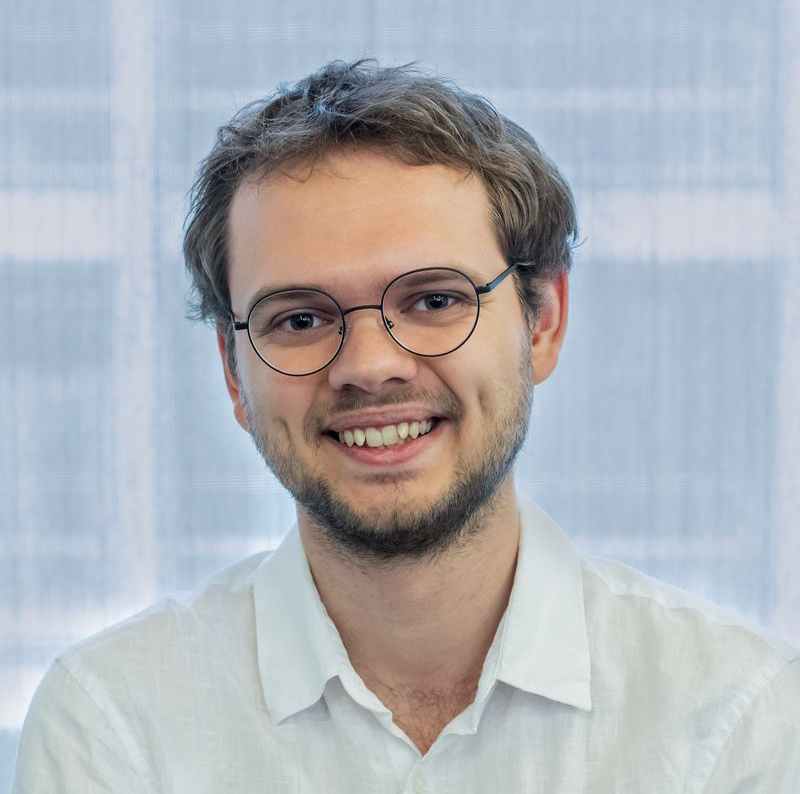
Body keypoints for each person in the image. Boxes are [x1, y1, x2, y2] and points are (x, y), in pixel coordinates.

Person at [12, 58, 800, 792]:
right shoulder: (115, 726)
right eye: (299, 317)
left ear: (544, 321)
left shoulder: (737, 720)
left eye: (433, 300)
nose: (369, 365)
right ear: (232, 371)